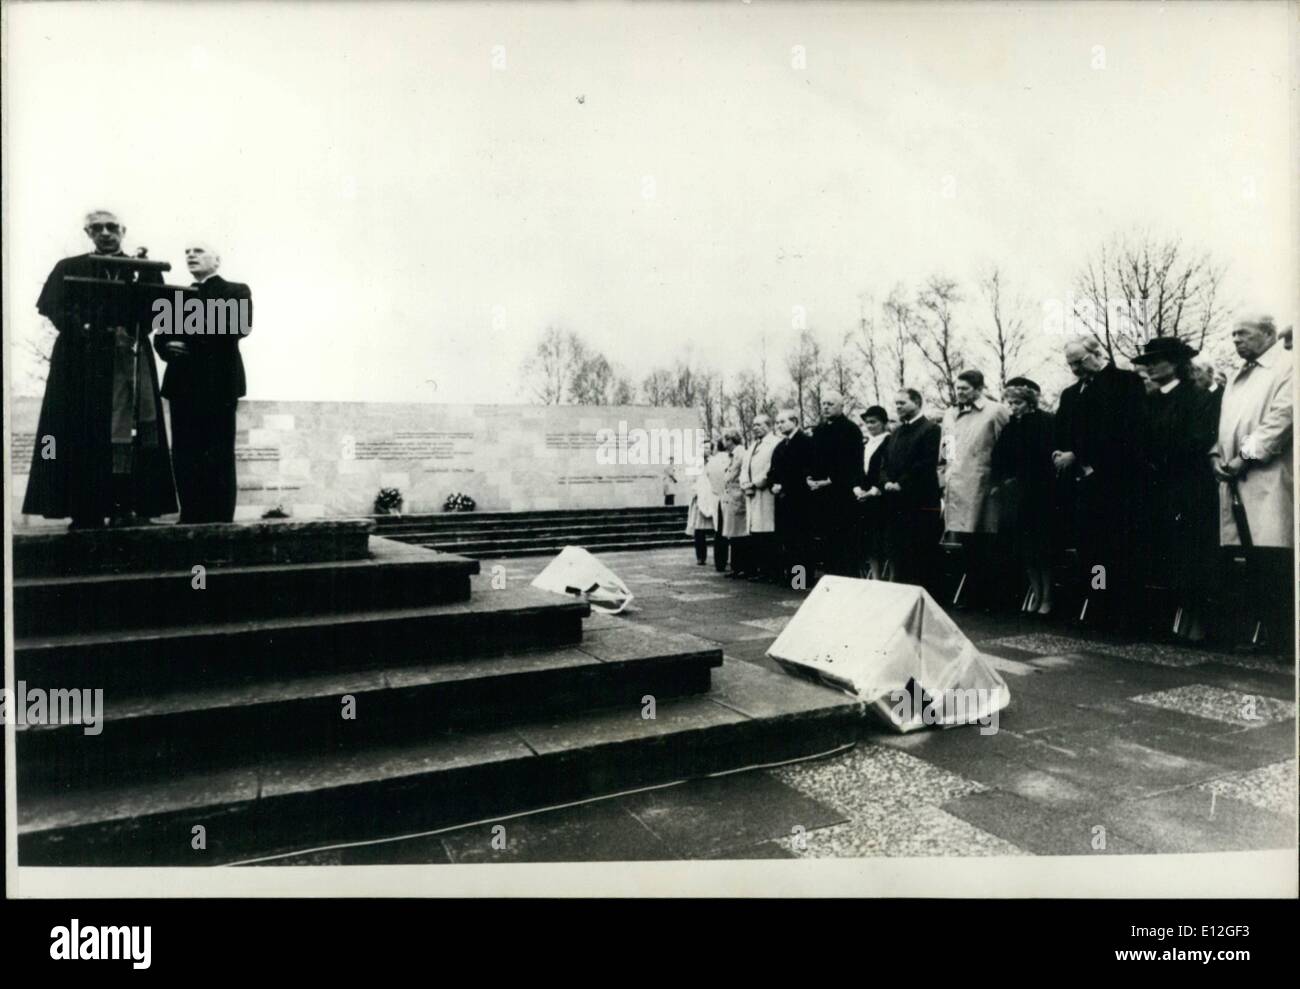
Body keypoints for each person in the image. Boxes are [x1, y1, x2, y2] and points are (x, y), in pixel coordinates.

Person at [22, 210, 178, 528]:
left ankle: (128, 506)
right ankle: (85, 509)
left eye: (111, 227)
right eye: (97, 228)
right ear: (87, 232)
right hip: (81, 360)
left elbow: (159, 310)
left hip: (128, 355)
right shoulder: (69, 267)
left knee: (132, 432)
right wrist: (84, 328)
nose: (105, 233)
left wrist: (132, 328)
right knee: (80, 431)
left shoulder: (143, 269)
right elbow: (53, 307)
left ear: (123, 230)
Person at [1211, 314, 1294, 654]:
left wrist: (1243, 457)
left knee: (1273, 557)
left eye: (1243, 333)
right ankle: (1255, 633)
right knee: (1246, 558)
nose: (1236, 340)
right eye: (1232, 335)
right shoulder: (1238, 377)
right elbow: (1224, 423)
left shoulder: (1288, 367)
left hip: (1267, 476)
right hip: (1232, 477)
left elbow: (1281, 420)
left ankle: (1283, 639)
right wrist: (1215, 455)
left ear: (1268, 333)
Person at [1052, 335, 1147, 630]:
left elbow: (1124, 430)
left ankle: (1120, 608)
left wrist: (1079, 454)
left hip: (1115, 480)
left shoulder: (1125, 383)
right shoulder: (1071, 393)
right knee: (1090, 546)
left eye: (1078, 362)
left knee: (1116, 546)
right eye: (1069, 364)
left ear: (1097, 353)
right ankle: (1098, 600)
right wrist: (1059, 452)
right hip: (1081, 483)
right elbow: (1061, 429)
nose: (1074, 369)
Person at [154, 241, 252, 524]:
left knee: (218, 452)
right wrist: (167, 345)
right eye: (187, 251)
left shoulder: (236, 290)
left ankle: (220, 518)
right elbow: (160, 336)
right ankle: (191, 515)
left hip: (217, 384)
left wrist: (185, 334)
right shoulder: (175, 295)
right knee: (185, 453)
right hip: (182, 384)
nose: (190, 255)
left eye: (198, 251)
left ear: (217, 260)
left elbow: (237, 326)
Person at [1132, 337, 1218, 643]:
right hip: (1156, 486)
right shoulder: (1150, 400)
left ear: (1176, 362)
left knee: (1189, 552)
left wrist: (1160, 460)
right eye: (1149, 360)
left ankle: (1194, 621)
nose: (1151, 365)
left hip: (1187, 485)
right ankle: (1169, 619)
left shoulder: (1196, 397)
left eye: (1158, 359)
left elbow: (1196, 440)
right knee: (1165, 551)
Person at [938, 369, 1011, 608]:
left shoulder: (995, 411)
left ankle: (992, 596)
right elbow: (947, 448)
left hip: (984, 484)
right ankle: (972, 592)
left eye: (965, 389)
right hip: (957, 484)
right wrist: (944, 474)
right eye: (958, 388)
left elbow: (1005, 447)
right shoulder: (949, 414)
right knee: (966, 542)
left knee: (986, 541)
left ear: (979, 389)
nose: (960, 393)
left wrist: (1000, 480)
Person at [990, 378, 1056, 616]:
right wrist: (1000, 481)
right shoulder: (1010, 427)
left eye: (1017, 402)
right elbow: (998, 458)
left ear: (1029, 402)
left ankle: (1048, 597)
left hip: (1039, 494)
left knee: (1042, 549)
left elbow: (1045, 457)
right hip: (1015, 496)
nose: (1013, 407)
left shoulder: (1045, 422)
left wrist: (1022, 477)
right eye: (1010, 403)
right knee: (1026, 550)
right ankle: (1036, 596)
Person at [879, 388, 942, 589]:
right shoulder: (895, 432)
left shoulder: (931, 429)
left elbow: (926, 463)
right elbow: (884, 461)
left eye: (902, 403)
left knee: (918, 553)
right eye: (896, 403)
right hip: (894, 503)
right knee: (898, 552)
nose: (897, 407)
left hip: (918, 502)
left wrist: (901, 483)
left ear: (916, 402)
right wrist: (886, 481)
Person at [807, 392, 865, 577]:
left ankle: (846, 580)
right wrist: (809, 477)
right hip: (820, 494)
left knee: (844, 541)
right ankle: (829, 577)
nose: (825, 407)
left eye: (830, 404)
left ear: (841, 406)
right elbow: (813, 459)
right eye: (823, 403)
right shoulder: (819, 430)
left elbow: (853, 463)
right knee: (826, 540)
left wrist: (830, 481)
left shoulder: (851, 430)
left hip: (841, 494)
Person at [769, 408, 815, 587]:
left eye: (783, 422)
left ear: (795, 421)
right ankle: (793, 577)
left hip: (800, 500)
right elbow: (772, 470)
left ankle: (801, 579)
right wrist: (773, 483)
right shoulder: (780, 446)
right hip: (783, 500)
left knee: (802, 541)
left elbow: (806, 470)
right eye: (778, 422)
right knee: (788, 540)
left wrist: (784, 485)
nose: (779, 425)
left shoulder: (806, 443)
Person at [851, 405, 892, 579]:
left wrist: (876, 490)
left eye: (873, 422)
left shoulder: (889, 441)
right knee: (869, 541)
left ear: (883, 423)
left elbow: (889, 467)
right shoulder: (865, 443)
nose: (869, 426)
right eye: (867, 422)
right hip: (864, 497)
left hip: (882, 498)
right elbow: (857, 468)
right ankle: (875, 577)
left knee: (883, 540)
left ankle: (890, 578)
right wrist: (857, 488)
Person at [740, 414, 780, 581]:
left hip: (765, 493)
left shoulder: (774, 443)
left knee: (768, 533)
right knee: (756, 533)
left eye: (759, 425)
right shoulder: (752, 445)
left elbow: (770, 469)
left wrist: (755, 484)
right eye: (754, 425)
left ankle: (771, 571)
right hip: (751, 494)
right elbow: (745, 467)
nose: (755, 427)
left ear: (768, 426)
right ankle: (761, 569)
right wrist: (744, 483)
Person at [717, 428, 749, 577]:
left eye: (726, 439)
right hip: (732, 497)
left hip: (737, 497)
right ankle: (737, 567)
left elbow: (732, 474)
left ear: (730, 440)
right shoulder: (733, 454)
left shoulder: (739, 453)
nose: (724, 442)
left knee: (739, 533)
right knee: (734, 534)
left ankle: (741, 566)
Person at [684, 451, 718, 565]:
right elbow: (691, 481)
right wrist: (696, 490)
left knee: (718, 529)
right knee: (699, 530)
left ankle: (720, 557)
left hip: (713, 498)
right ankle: (701, 556)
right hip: (699, 499)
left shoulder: (714, 463)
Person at [704, 439, 731, 572]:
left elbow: (708, 476)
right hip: (729, 496)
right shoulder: (729, 459)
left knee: (719, 531)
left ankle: (719, 562)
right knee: (732, 530)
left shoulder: (711, 462)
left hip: (716, 496)